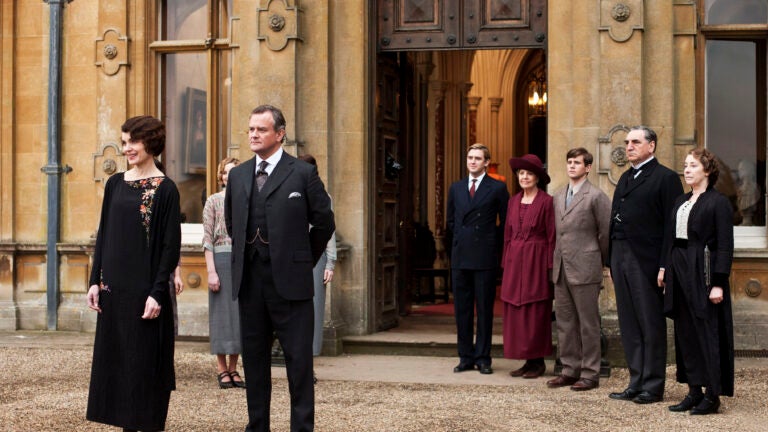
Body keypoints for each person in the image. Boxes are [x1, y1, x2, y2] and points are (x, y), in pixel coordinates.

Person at [225, 105, 335, 432]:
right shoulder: (239, 174)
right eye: (250, 130)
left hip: (291, 285)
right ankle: (257, 426)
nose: (253, 135)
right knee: (255, 362)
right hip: (250, 283)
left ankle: (301, 428)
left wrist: (302, 260)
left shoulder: (301, 173)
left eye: (261, 129)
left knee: (298, 363)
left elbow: (324, 223)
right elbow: (233, 222)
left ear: (280, 134)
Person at [86, 115, 181, 431]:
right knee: (119, 366)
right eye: (124, 141)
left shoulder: (165, 189)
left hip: (145, 294)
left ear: (150, 142)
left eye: (133, 142)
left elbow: (170, 246)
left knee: (144, 367)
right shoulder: (115, 183)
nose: (127, 148)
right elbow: (104, 234)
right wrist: (94, 281)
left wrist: (157, 292)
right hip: (114, 292)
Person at [607, 126, 683, 404]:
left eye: (635, 142)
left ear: (651, 146)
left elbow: (671, 227)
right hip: (620, 256)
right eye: (627, 142)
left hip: (647, 260)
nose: (629, 146)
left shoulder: (665, 178)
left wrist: (665, 265)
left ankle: (653, 385)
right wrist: (610, 261)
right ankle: (636, 381)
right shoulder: (626, 177)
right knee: (629, 323)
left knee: (650, 323)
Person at [664, 148, 734, 415]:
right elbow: (670, 238)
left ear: (707, 170)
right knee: (685, 332)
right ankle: (693, 391)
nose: (687, 169)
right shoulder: (681, 200)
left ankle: (712, 394)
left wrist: (718, 282)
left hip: (702, 271)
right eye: (685, 165)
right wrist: (665, 269)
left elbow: (725, 245)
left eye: (693, 165)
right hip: (679, 268)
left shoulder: (718, 202)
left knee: (707, 331)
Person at [546, 148, 611, 391]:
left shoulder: (596, 196)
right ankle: (569, 369)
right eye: (569, 162)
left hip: (586, 266)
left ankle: (590, 373)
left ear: (588, 167)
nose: (572, 166)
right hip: (562, 267)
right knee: (565, 322)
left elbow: (605, 233)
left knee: (588, 322)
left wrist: (600, 261)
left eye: (577, 163)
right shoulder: (558, 194)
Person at [446, 143, 509, 375]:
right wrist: (459, 242)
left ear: (486, 162)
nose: (472, 161)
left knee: (484, 309)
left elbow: (506, 221)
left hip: (485, 256)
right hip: (461, 256)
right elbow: (450, 222)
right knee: (461, 309)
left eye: (477, 158)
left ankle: (483, 357)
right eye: (469, 157)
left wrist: (492, 242)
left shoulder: (497, 188)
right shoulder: (456, 188)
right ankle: (465, 356)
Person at [501, 154, 555, 379]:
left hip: (537, 261)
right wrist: (505, 263)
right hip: (515, 261)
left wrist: (550, 267)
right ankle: (526, 359)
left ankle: (538, 361)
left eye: (529, 174)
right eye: (521, 173)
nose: (524, 177)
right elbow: (507, 235)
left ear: (537, 178)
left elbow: (552, 236)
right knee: (517, 311)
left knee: (536, 311)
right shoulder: (512, 201)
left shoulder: (547, 202)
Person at [203, 156, 246, 389]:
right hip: (220, 259)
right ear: (221, 176)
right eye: (226, 172)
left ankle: (234, 368)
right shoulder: (213, 201)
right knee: (221, 315)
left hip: (241, 261)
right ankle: (222, 369)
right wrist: (211, 271)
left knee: (239, 315)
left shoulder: (246, 200)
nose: (230, 176)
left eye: (234, 172)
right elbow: (207, 239)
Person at [297, 154, 338, 358]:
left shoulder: (322, 196)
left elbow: (328, 232)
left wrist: (330, 263)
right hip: (292, 255)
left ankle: (311, 354)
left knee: (314, 308)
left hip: (316, 256)